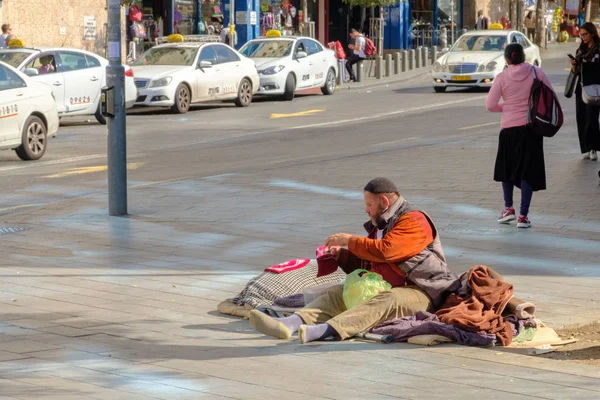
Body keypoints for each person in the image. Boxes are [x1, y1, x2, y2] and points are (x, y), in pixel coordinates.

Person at [248, 177, 461, 344]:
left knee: (389, 299)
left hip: (423, 291)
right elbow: (367, 264)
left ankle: (324, 330)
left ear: (384, 202)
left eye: (369, 205)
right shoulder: (380, 226)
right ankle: (290, 323)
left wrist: (350, 241)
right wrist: (341, 255)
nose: (366, 210)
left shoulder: (414, 220)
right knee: (338, 292)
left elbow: (388, 252)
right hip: (383, 285)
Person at [486, 43, 554, 229]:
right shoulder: (536, 72)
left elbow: (490, 105)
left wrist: (506, 107)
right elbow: (550, 95)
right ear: (524, 56)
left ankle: (508, 209)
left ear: (507, 59)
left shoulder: (501, 78)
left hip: (508, 129)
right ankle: (523, 216)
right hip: (531, 129)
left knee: (507, 169)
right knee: (527, 171)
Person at [571, 22, 600, 161]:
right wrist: (573, 65)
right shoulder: (580, 50)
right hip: (581, 88)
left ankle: (594, 147)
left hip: (595, 88)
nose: (582, 37)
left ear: (592, 33)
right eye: (581, 35)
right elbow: (575, 72)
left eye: (585, 34)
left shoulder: (598, 49)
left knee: (592, 119)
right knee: (581, 118)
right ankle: (586, 148)